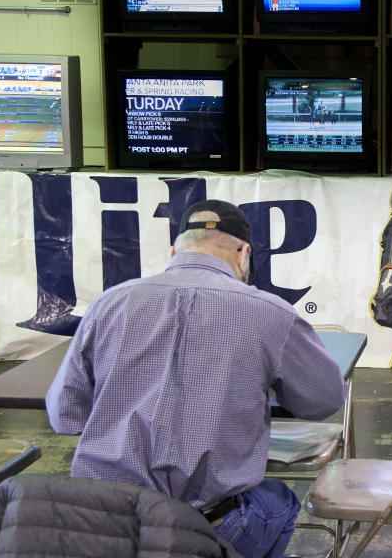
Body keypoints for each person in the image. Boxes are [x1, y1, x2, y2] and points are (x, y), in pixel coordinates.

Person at [46, 199, 346, 558]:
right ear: (243, 253)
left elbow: (65, 416)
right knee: (280, 500)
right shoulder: (270, 313)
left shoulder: (108, 304)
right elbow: (322, 401)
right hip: (202, 531)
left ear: (175, 250)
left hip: (101, 527)